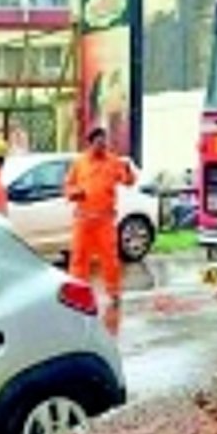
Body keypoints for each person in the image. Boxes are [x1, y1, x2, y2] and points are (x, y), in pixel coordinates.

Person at [64, 127, 135, 334]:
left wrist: (128, 170)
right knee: (78, 259)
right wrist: (75, 193)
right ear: (90, 143)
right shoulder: (79, 163)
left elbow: (128, 181)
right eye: (98, 143)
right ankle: (77, 295)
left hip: (104, 221)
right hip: (83, 221)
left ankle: (113, 294)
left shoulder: (113, 162)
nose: (102, 146)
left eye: (104, 143)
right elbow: (67, 187)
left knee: (110, 259)